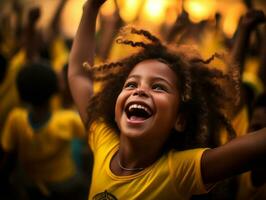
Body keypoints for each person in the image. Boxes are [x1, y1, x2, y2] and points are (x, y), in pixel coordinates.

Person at [68, 0, 266, 199]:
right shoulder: (104, 141)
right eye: (131, 84)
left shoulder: (178, 171)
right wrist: (91, 8)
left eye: (158, 87)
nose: (140, 91)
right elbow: (79, 74)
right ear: (116, 110)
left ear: (179, 120)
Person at [0, 61, 87, 200]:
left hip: (30, 184)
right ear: (56, 88)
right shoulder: (68, 120)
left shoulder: (15, 119)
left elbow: (8, 156)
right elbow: (93, 133)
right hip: (64, 182)